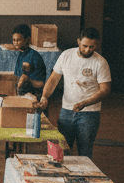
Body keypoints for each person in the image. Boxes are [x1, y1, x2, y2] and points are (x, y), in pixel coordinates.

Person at [36, 28, 111, 160]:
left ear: (97, 44)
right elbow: (53, 79)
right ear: (78, 41)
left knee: (85, 152)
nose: (87, 50)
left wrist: (85, 103)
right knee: (62, 149)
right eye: (85, 46)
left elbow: (105, 90)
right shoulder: (66, 55)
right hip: (66, 111)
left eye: (91, 47)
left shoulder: (101, 62)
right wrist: (44, 96)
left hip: (90, 113)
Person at [10, 24, 47, 96]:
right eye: (14, 40)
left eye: (18, 40)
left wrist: (27, 79)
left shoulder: (35, 56)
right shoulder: (21, 54)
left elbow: (41, 84)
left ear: (27, 39)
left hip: (33, 94)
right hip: (21, 92)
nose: (15, 43)